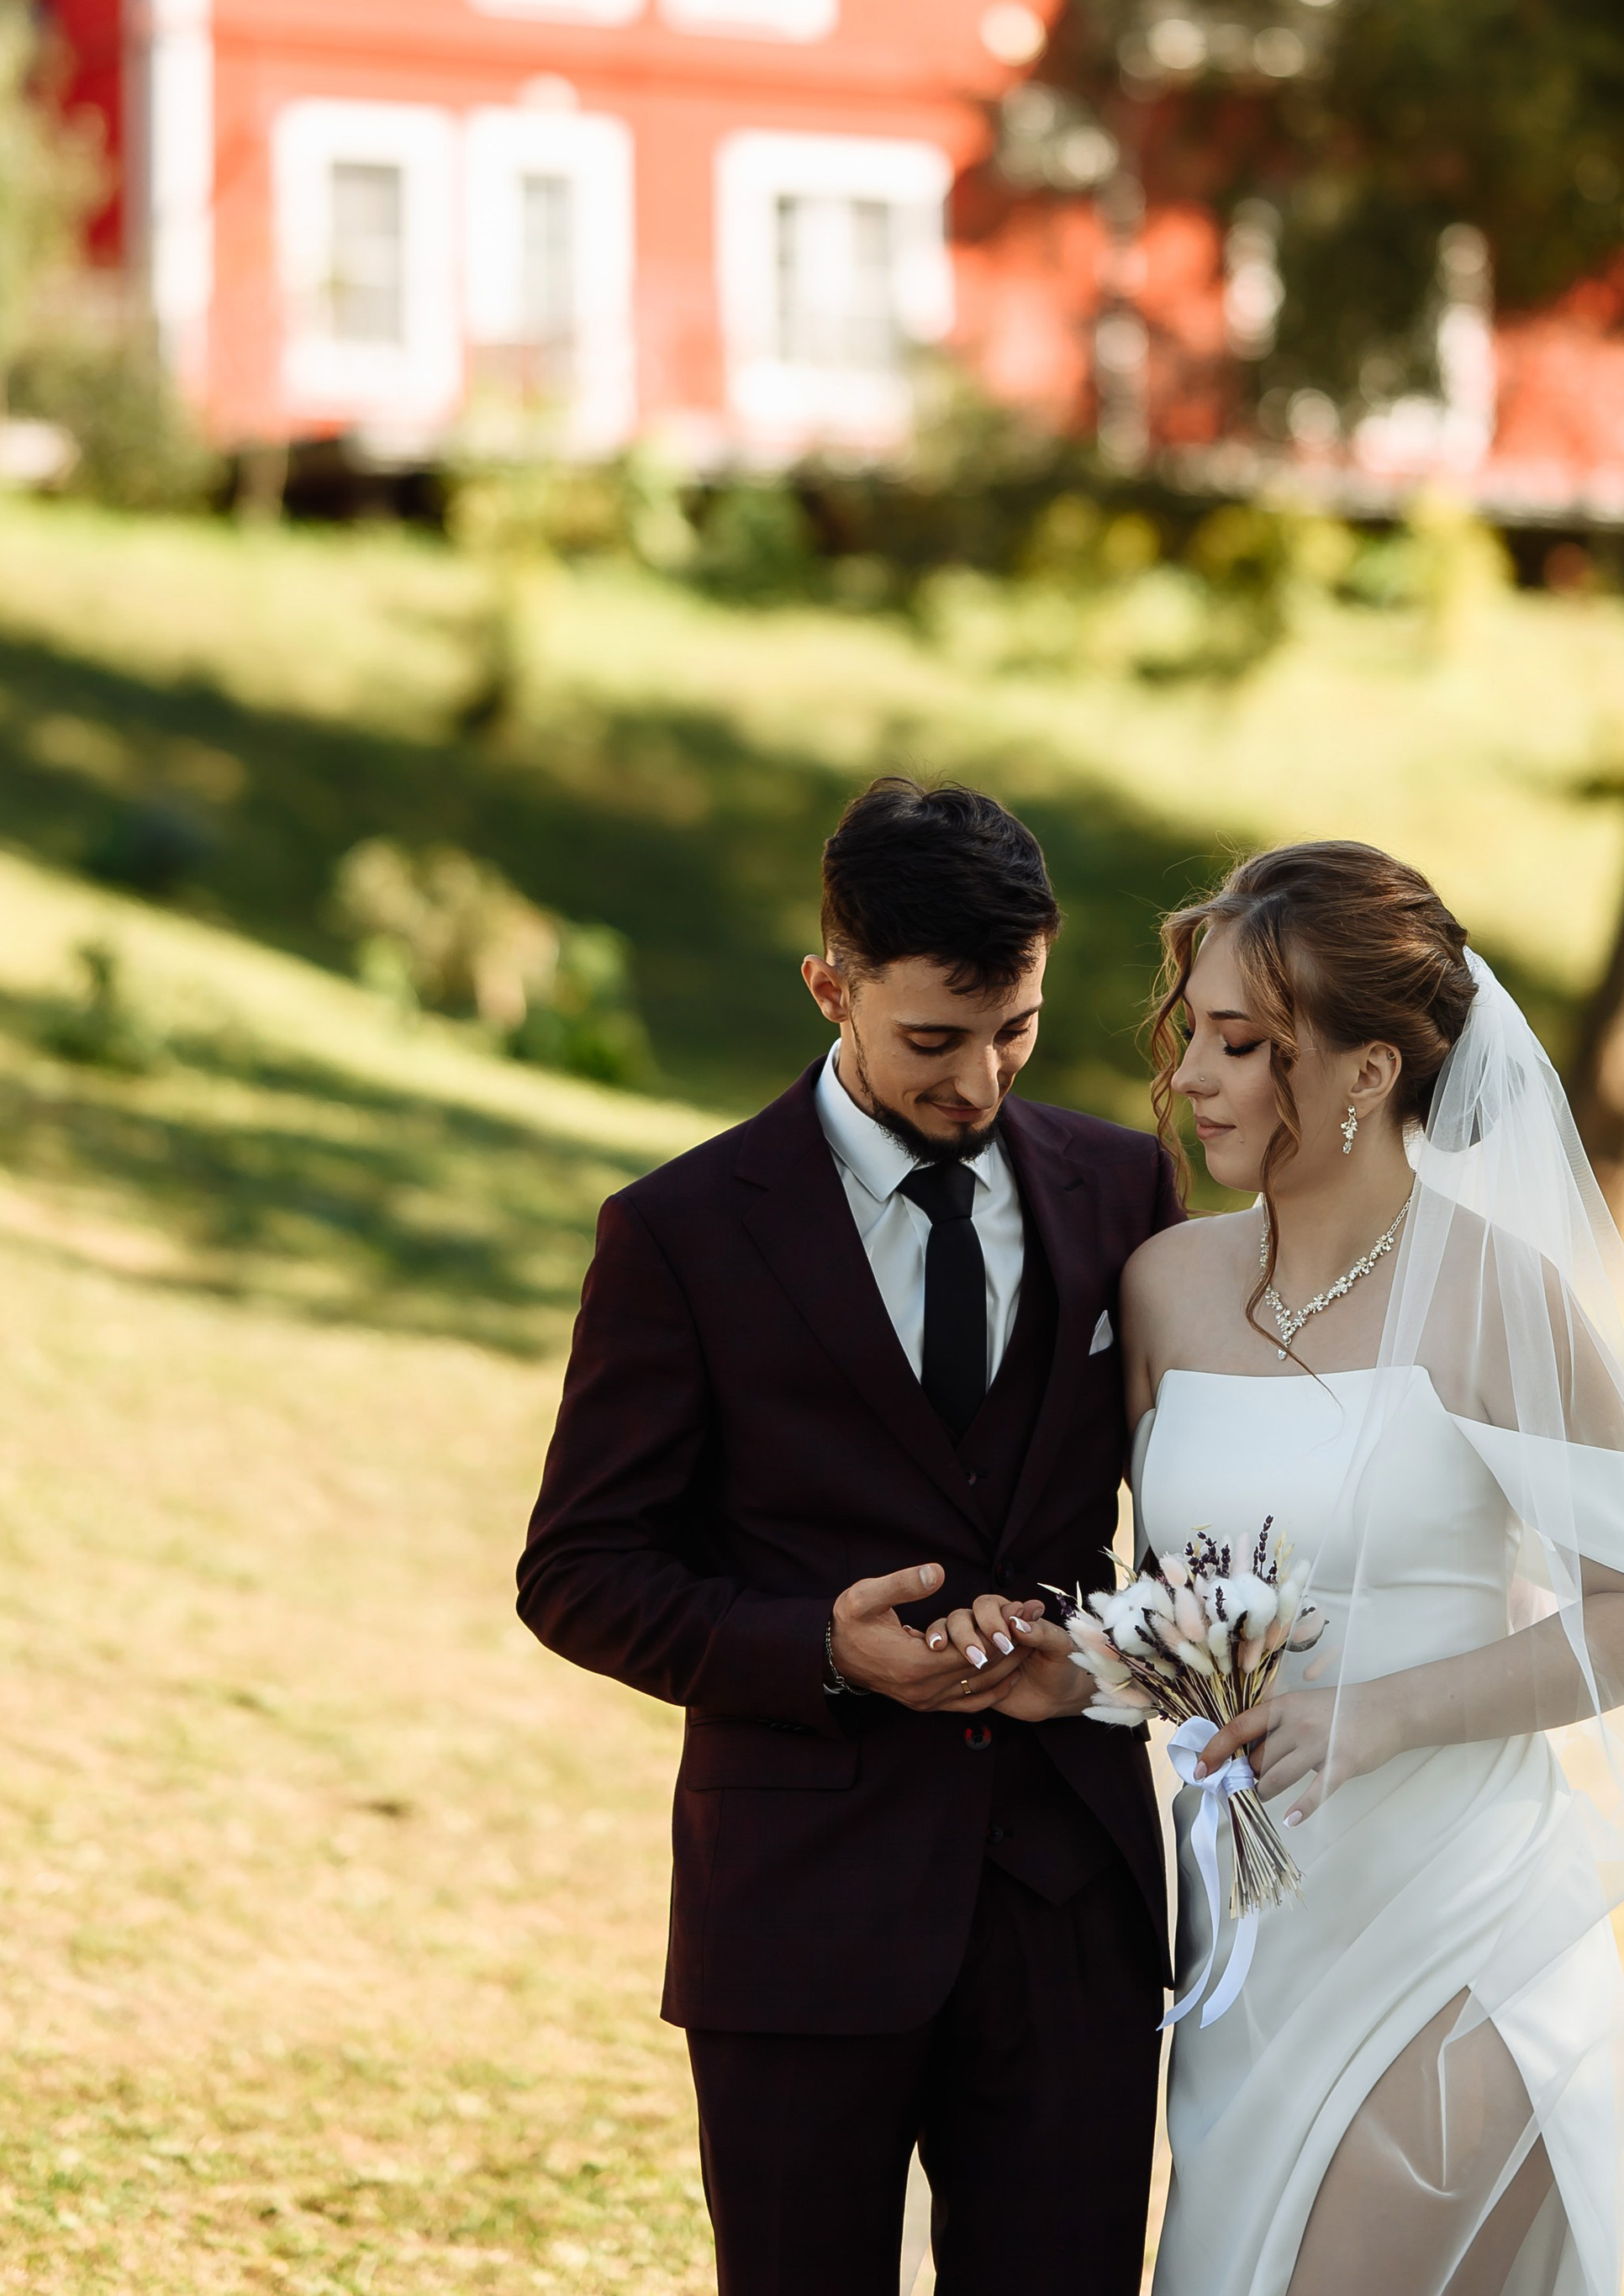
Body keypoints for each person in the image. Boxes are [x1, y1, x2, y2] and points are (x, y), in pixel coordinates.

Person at [1001, 841, 1624, 2296]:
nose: (1193, 1075)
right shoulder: (1169, 1285)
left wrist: (1375, 1716)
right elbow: (1184, 1619)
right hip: (1249, 1943)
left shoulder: (1498, 1296)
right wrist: (1067, 1675)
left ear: (1371, 1073)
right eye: (1190, 1030)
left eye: (1244, 1044)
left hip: (1456, 1930)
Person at [516, 775, 1180, 2296]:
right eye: (934, 1040)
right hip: (799, 1905)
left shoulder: (1123, 1188)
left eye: (1014, 1028)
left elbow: (1193, 1512)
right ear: (831, 985)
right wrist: (819, 1646)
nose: (981, 1083)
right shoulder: (682, 1232)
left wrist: (1104, 1656)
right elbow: (575, 1573)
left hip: (1069, 1906)